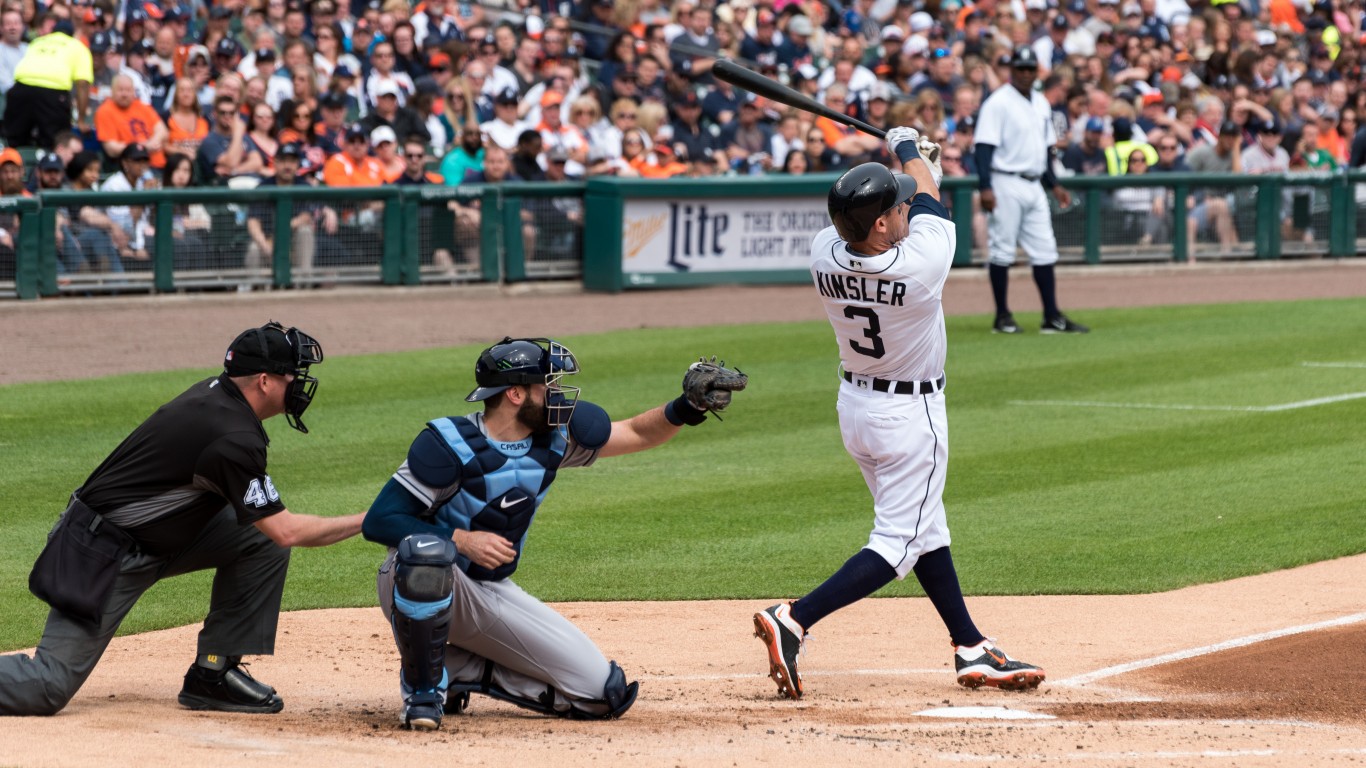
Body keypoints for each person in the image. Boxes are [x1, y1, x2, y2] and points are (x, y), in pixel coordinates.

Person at [753, 127, 1046, 702]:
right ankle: (795, 617)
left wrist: (908, 170)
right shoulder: (918, 266)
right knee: (898, 542)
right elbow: (934, 200)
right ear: (881, 225)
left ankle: (970, 646)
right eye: (896, 206)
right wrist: (911, 146)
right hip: (911, 417)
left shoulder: (822, 250)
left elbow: (911, 204)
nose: (906, 206)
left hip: (857, 410)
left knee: (925, 526)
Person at [361, 337, 747, 729]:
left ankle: (456, 667)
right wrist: (461, 539)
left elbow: (635, 432)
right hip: (417, 581)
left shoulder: (555, 440)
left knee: (601, 694)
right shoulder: (449, 445)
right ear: (514, 393)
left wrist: (687, 407)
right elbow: (379, 520)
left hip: (489, 590)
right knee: (427, 554)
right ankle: (423, 692)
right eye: (544, 386)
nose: (554, 394)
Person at [0, 322, 364, 716]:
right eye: (292, 374)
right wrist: (369, 519)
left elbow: (268, 527)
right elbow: (288, 530)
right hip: (101, 552)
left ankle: (214, 675)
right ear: (263, 381)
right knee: (47, 686)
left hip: (159, 536)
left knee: (259, 538)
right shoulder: (233, 436)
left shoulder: (221, 396)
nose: (298, 383)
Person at [974, 46, 1089, 335]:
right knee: (1002, 251)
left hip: (1035, 182)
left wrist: (1055, 185)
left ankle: (1051, 316)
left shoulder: (1040, 101)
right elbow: (983, 148)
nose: (1025, 74)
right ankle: (1002, 316)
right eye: (1020, 68)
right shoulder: (997, 102)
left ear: (1037, 72)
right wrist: (985, 187)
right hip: (1005, 181)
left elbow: (1045, 149)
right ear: (1011, 70)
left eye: (1030, 69)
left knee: (1045, 251)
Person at [3, 17, 92, 149]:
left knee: (13, 143)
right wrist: (81, 120)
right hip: (52, 94)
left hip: (20, 90)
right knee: (56, 144)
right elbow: (83, 84)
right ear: (72, 34)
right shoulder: (77, 46)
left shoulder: (37, 42)